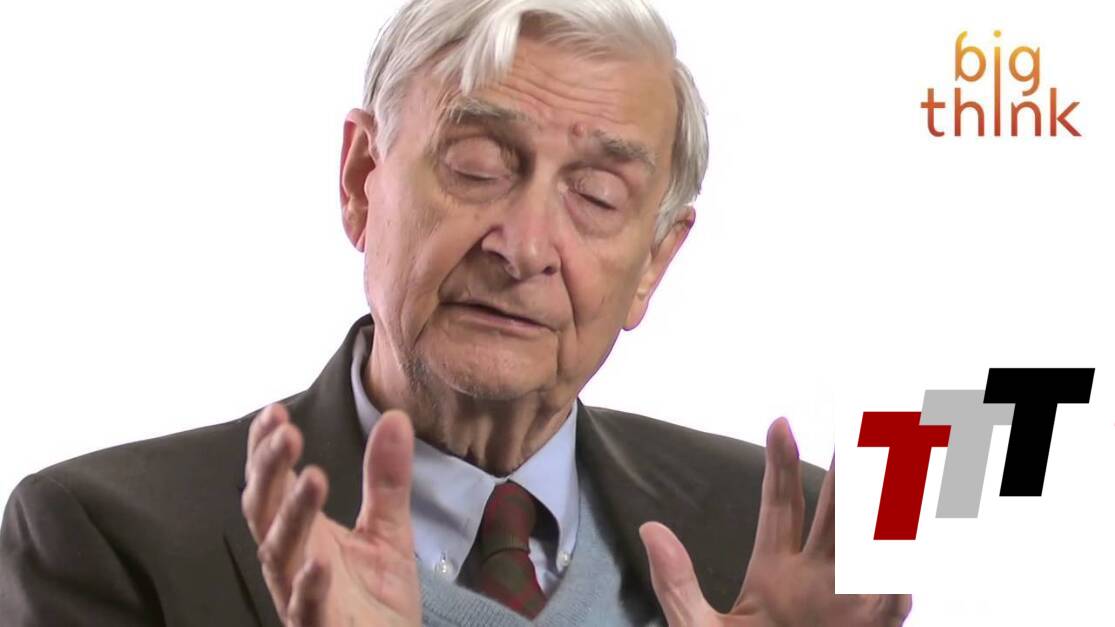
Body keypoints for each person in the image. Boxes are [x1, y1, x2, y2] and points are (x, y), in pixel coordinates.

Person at [0, 1, 910, 625]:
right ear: (361, 180)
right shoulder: (108, 538)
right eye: (476, 165)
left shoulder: (794, 541)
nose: (523, 245)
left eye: (596, 194)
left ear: (654, 263)